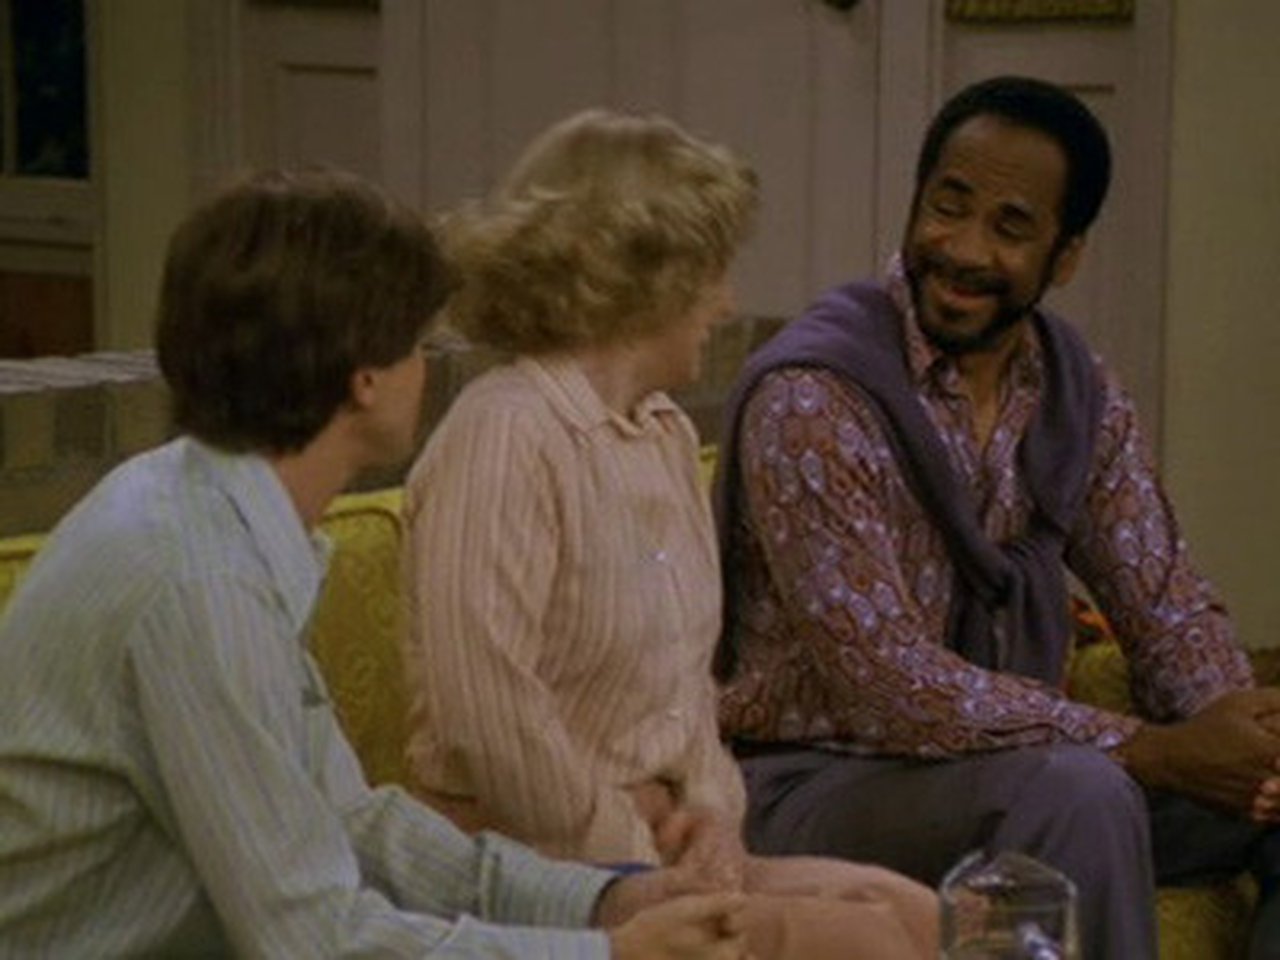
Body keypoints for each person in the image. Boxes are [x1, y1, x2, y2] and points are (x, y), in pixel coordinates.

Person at [0, 168, 755, 959]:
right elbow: (312, 939)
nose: (424, 370)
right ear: (364, 379)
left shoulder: (213, 517)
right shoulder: (199, 581)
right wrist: (612, 955)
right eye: (418, 346)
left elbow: (352, 824)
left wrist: (603, 900)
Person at [712, 74, 1280, 959]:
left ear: (1065, 257)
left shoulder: (1074, 390)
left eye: (1011, 227)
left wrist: (1242, 738)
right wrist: (1151, 750)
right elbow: (890, 686)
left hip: (1020, 772)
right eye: (948, 207)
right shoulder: (815, 396)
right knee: (1081, 792)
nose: (965, 249)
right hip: (815, 787)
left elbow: (1164, 601)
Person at [401, 110, 939, 960]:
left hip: (662, 846)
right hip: (532, 865)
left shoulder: (662, 434)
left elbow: (687, 691)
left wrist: (713, 819)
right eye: (712, 272)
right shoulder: (506, 432)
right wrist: (628, 848)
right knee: (862, 941)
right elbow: (488, 713)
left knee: (922, 915)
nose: (727, 303)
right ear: (642, 274)